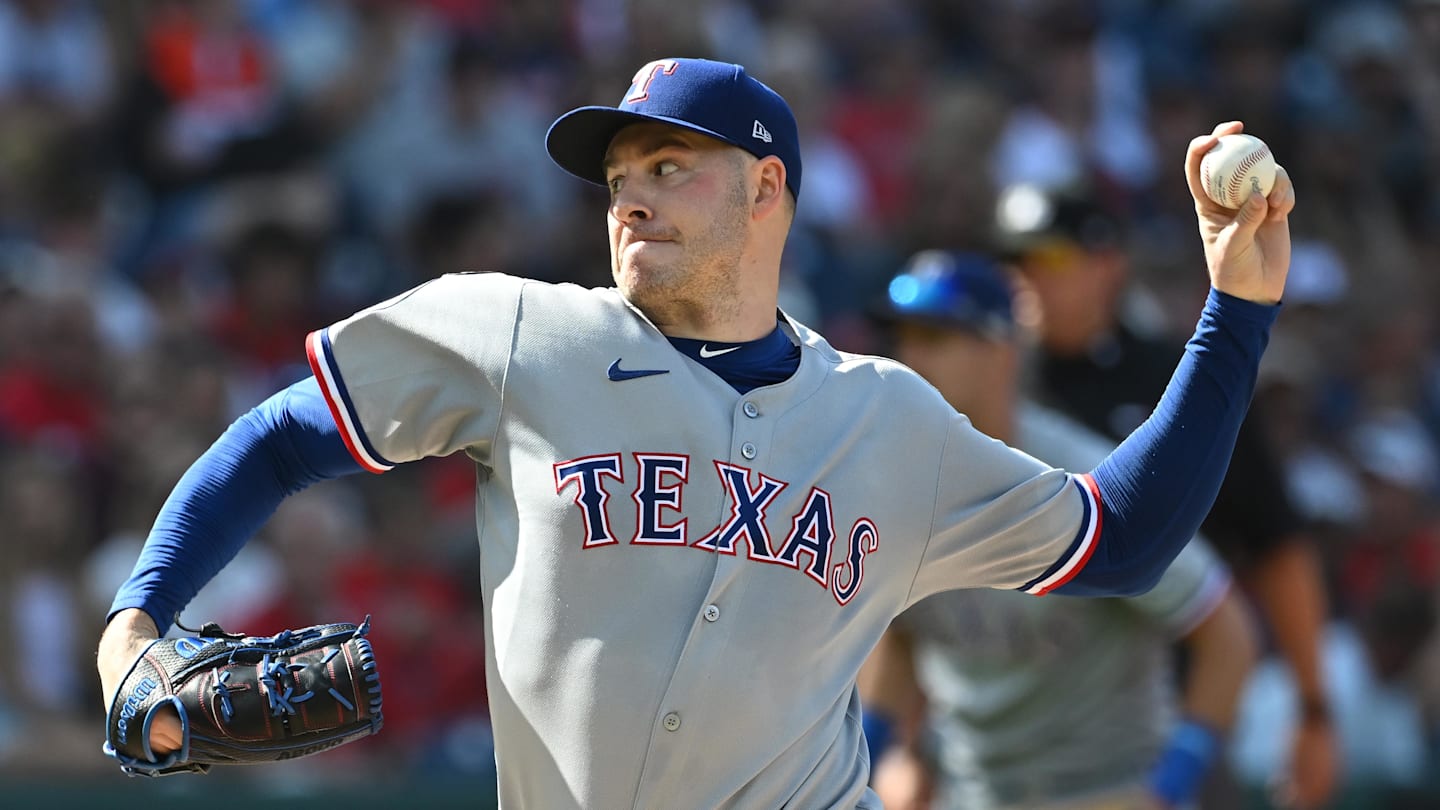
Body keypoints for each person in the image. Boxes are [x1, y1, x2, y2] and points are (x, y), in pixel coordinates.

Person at [97, 57, 1297, 808]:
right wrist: (139, 620)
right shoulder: (518, 335)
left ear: (768, 190)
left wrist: (1235, 310)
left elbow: (1124, 539)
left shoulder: (887, 421)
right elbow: (280, 438)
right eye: (620, 175)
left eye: (670, 166)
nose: (631, 195)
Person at [856, 251, 1260, 810]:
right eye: (905, 337)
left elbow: (1225, 631)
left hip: (1102, 788)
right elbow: (901, 633)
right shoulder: (896, 481)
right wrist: (876, 759)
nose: (913, 357)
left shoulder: (1074, 480)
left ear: (1001, 350)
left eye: (937, 337)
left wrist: (1170, 787)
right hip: (971, 791)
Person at [996, 182, 1339, 808]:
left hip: (1170, 726)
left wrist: (1313, 708)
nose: (1028, 277)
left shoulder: (1177, 375)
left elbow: (1275, 543)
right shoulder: (992, 387)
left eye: (1051, 257)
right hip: (1009, 739)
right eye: (1015, 260)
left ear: (1108, 265)